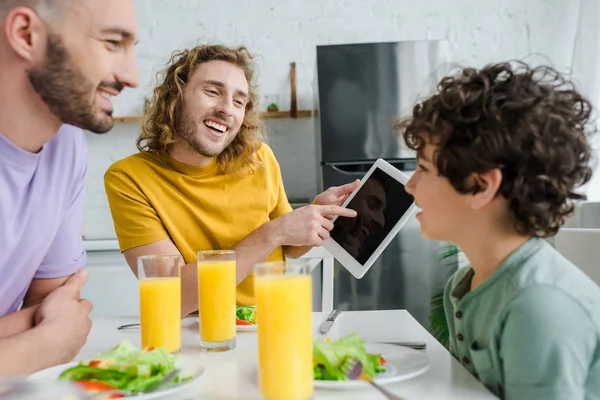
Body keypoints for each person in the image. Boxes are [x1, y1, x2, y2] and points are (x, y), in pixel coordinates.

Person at [104, 44, 358, 316]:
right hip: (201, 335)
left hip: (275, 323)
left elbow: (290, 248)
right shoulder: (130, 178)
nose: (227, 109)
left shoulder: (260, 158)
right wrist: (272, 232)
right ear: (175, 97)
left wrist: (315, 216)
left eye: (239, 101)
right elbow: (172, 297)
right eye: (213, 91)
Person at [395, 61, 600, 399]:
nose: (410, 186)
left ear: (480, 186)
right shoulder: (468, 284)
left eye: (423, 168)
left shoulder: (538, 306)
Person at [0, 0, 139, 374]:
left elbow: (57, 307)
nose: (132, 76)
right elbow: (54, 331)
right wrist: (38, 347)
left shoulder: (66, 145)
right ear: (26, 34)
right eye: (112, 43)